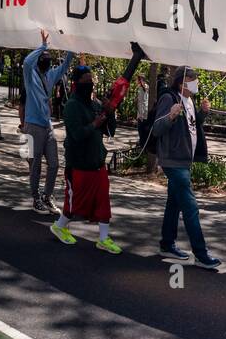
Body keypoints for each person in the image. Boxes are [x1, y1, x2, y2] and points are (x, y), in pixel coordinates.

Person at [51, 45, 145, 253]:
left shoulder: (94, 104)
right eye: (86, 82)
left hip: (97, 163)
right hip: (79, 164)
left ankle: (103, 238)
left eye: (91, 81)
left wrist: (109, 113)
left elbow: (110, 131)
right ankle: (59, 226)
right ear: (77, 84)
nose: (90, 84)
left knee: (103, 202)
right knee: (74, 205)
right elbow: (76, 134)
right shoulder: (72, 106)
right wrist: (95, 123)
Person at [150, 65, 220, 269]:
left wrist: (203, 114)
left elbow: (192, 124)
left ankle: (166, 243)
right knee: (190, 207)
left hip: (184, 160)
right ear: (182, 82)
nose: (196, 82)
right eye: (193, 78)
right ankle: (200, 253)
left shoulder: (189, 100)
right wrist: (170, 116)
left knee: (174, 203)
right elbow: (157, 128)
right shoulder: (169, 98)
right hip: (173, 160)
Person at [23, 31, 74, 213]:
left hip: (47, 127)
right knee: (35, 164)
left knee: (54, 164)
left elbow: (65, 65)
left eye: (48, 58)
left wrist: (71, 46)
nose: (47, 61)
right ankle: (36, 198)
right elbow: (27, 62)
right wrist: (43, 46)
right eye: (44, 58)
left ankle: (47, 195)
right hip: (32, 127)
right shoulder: (30, 76)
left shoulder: (50, 76)